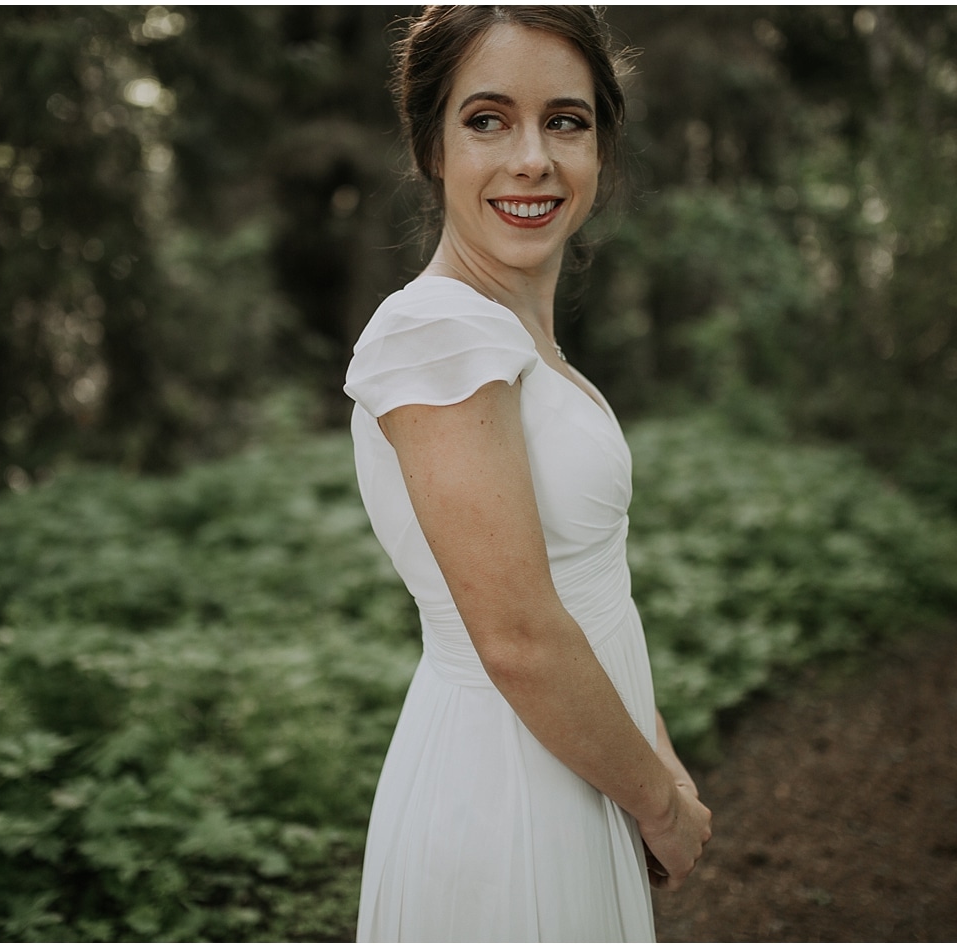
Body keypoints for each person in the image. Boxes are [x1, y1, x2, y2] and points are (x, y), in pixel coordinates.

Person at [342, 7, 711, 941]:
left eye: (565, 121)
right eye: (487, 119)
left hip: (585, 765)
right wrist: (661, 808)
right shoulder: (437, 332)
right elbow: (516, 635)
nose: (532, 159)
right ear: (430, 144)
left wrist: (654, 766)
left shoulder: (513, 335)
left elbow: (594, 596)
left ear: (601, 146)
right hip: (505, 791)